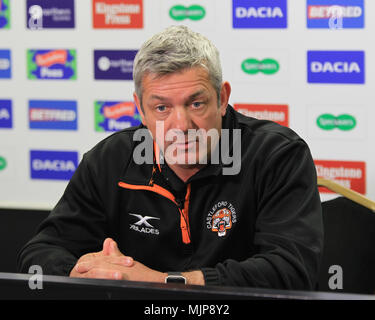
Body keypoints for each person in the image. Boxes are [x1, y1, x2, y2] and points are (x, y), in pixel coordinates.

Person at [18, 25, 323, 289]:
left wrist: (163, 282)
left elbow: (292, 272)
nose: (182, 126)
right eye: (162, 108)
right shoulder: (109, 160)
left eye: (196, 104)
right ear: (141, 109)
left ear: (222, 98)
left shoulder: (277, 155)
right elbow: (41, 253)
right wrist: (85, 270)